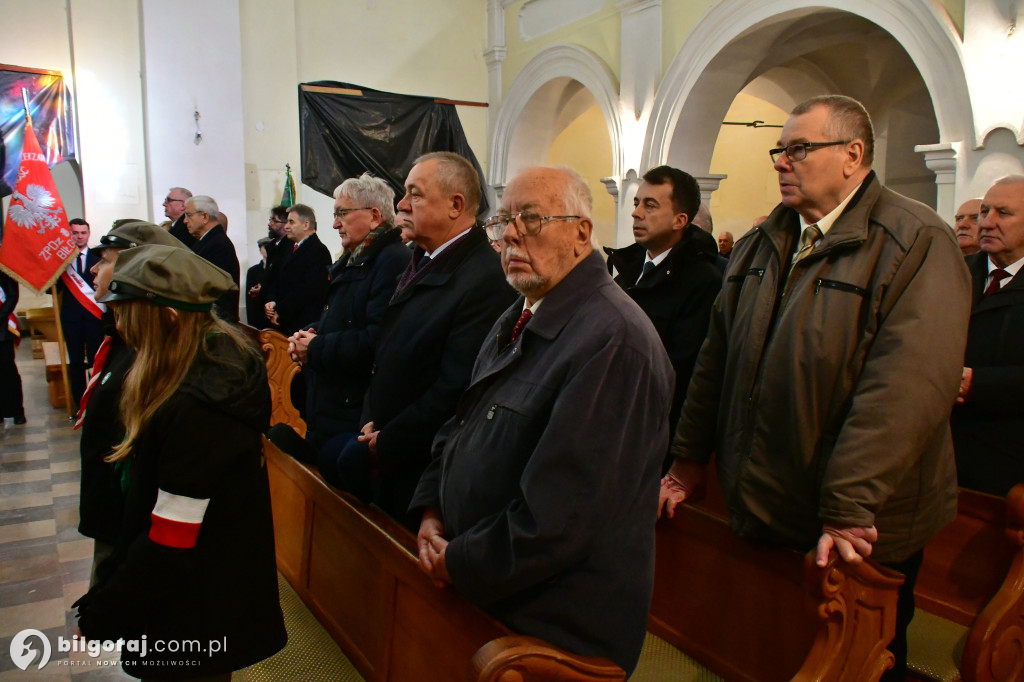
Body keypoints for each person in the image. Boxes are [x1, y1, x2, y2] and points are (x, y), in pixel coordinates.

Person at [658, 94, 971, 681]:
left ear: (854, 155)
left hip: (864, 519)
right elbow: (715, 361)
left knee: (863, 662)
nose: (781, 160)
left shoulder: (915, 240)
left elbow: (905, 389)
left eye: (799, 148)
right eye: (781, 149)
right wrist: (687, 460)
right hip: (771, 494)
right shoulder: (761, 242)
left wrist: (848, 507)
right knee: (774, 647)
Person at [410, 166, 673, 675]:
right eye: (504, 220)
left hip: (551, 620)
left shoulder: (614, 342)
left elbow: (561, 519)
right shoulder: (521, 313)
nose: (509, 233)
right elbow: (460, 425)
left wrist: (459, 561)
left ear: (581, 233)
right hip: (491, 585)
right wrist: (431, 510)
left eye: (530, 219)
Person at [75, 244, 286, 679]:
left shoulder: (201, 403)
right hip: (194, 593)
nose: (121, 328)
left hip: (197, 608)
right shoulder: (192, 368)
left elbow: (172, 538)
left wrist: (108, 609)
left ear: (167, 318)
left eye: (127, 315)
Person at [320, 152, 515, 526]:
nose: (402, 204)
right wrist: (370, 417)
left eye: (415, 194)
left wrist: (387, 442)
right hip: (385, 443)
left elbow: (455, 389)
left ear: (455, 205)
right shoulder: (420, 258)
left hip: (421, 466)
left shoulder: (484, 280)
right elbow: (386, 353)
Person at [76, 220, 186, 586]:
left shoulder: (149, 351)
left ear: (129, 267)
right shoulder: (121, 336)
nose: (93, 269)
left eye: (104, 260)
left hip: (125, 517)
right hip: (108, 507)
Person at [272, 173, 410, 462]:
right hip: (330, 403)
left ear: (374, 216)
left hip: (352, 413)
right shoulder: (355, 258)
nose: (335, 223)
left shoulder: (391, 260)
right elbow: (344, 319)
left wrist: (316, 347)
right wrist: (310, 333)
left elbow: (377, 339)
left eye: (342, 214)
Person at [604, 165, 721, 460]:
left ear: (680, 220)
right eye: (636, 202)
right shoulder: (626, 273)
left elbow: (682, 374)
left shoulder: (701, 282)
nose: (636, 213)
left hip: (648, 435)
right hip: (608, 420)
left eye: (650, 205)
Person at [952, 176, 1024, 496]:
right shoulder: (952, 271)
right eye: (984, 211)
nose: (986, 223)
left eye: (1003, 213)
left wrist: (978, 383)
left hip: (1005, 461)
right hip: (942, 454)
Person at [263, 204, 331, 336]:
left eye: (291, 222)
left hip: (301, 325)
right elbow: (276, 277)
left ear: (305, 225)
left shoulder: (319, 251)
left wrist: (280, 310)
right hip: (283, 321)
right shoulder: (288, 248)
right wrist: (272, 302)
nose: (286, 226)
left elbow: (308, 290)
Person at [59, 217, 104, 408]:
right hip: (71, 319)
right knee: (75, 362)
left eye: (83, 233)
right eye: (75, 233)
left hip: (94, 318)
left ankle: (95, 402)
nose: (79, 236)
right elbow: (50, 289)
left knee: (96, 360)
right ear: (69, 234)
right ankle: (78, 403)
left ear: (88, 234)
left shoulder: (98, 259)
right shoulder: (61, 260)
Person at [185, 195, 240, 322]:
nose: (185, 221)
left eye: (188, 215)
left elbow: (213, 289)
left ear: (204, 217)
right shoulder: (207, 241)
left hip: (215, 321)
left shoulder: (217, 244)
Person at [0, 270, 25, 425]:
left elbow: (12, 295)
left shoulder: (5, 267)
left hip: (2, 330)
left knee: (8, 372)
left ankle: (17, 411)